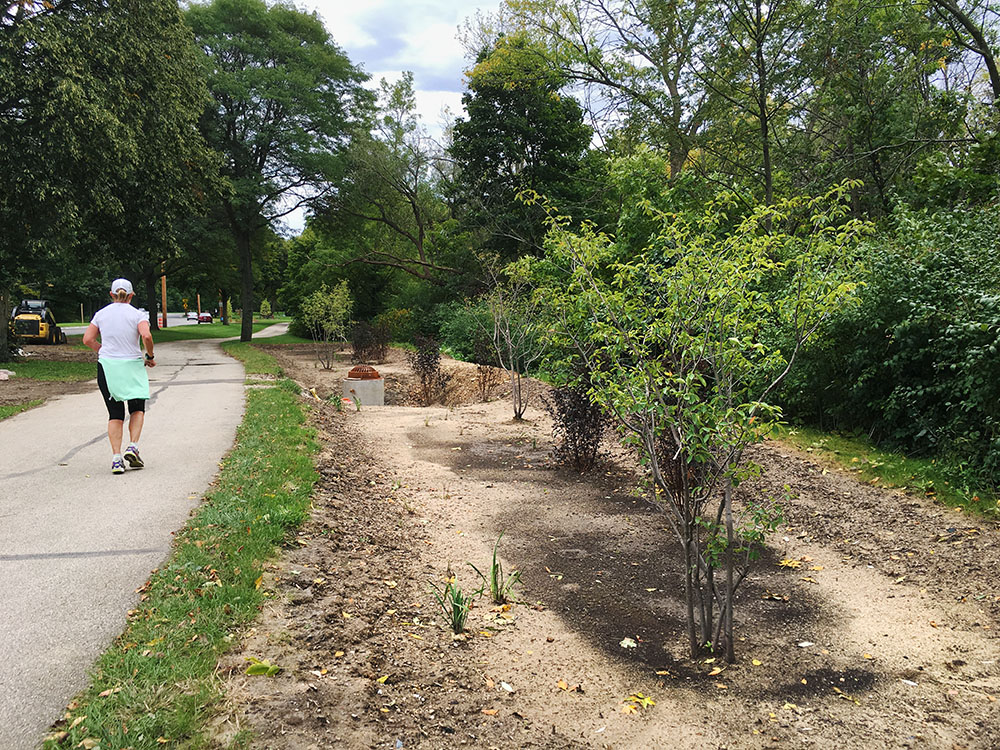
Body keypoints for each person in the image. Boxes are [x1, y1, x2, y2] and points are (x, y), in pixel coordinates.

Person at [82, 278, 156, 474]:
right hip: (131, 366)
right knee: (137, 408)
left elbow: (87, 339)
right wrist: (149, 355)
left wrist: (101, 349)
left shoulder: (101, 314)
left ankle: (116, 458)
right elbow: (147, 336)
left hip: (107, 367)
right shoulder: (137, 314)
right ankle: (132, 446)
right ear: (131, 295)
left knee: (115, 413)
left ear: (111, 294)